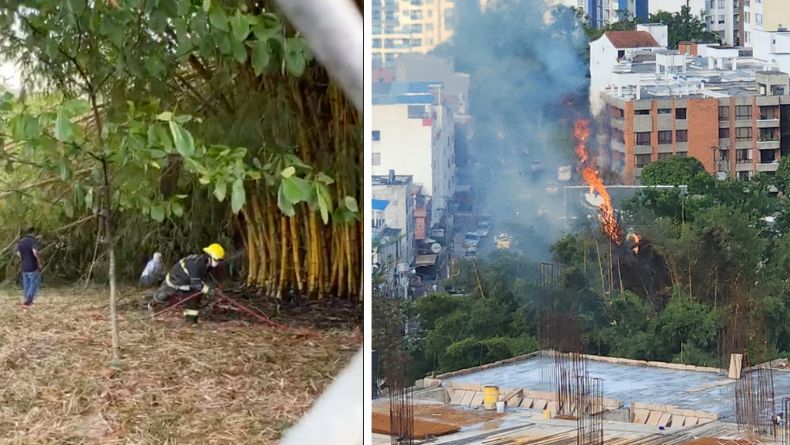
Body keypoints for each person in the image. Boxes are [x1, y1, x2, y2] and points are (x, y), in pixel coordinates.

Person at [149, 243, 225, 324]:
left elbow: (203, 280)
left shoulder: (207, 264)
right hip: (175, 280)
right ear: (209, 256)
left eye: (220, 260)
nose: (218, 263)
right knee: (163, 295)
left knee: (193, 300)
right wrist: (210, 291)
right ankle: (153, 304)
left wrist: (213, 289)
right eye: (216, 260)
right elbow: (197, 284)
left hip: (189, 284)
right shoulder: (196, 264)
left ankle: (191, 323)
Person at [16, 227, 42, 307]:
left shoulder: (20, 242)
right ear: (33, 233)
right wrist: (39, 262)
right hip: (33, 266)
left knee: (26, 283)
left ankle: (26, 299)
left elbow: (18, 254)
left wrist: (23, 259)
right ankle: (29, 300)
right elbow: (35, 252)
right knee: (33, 283)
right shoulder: (33, 241)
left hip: (24, 266)